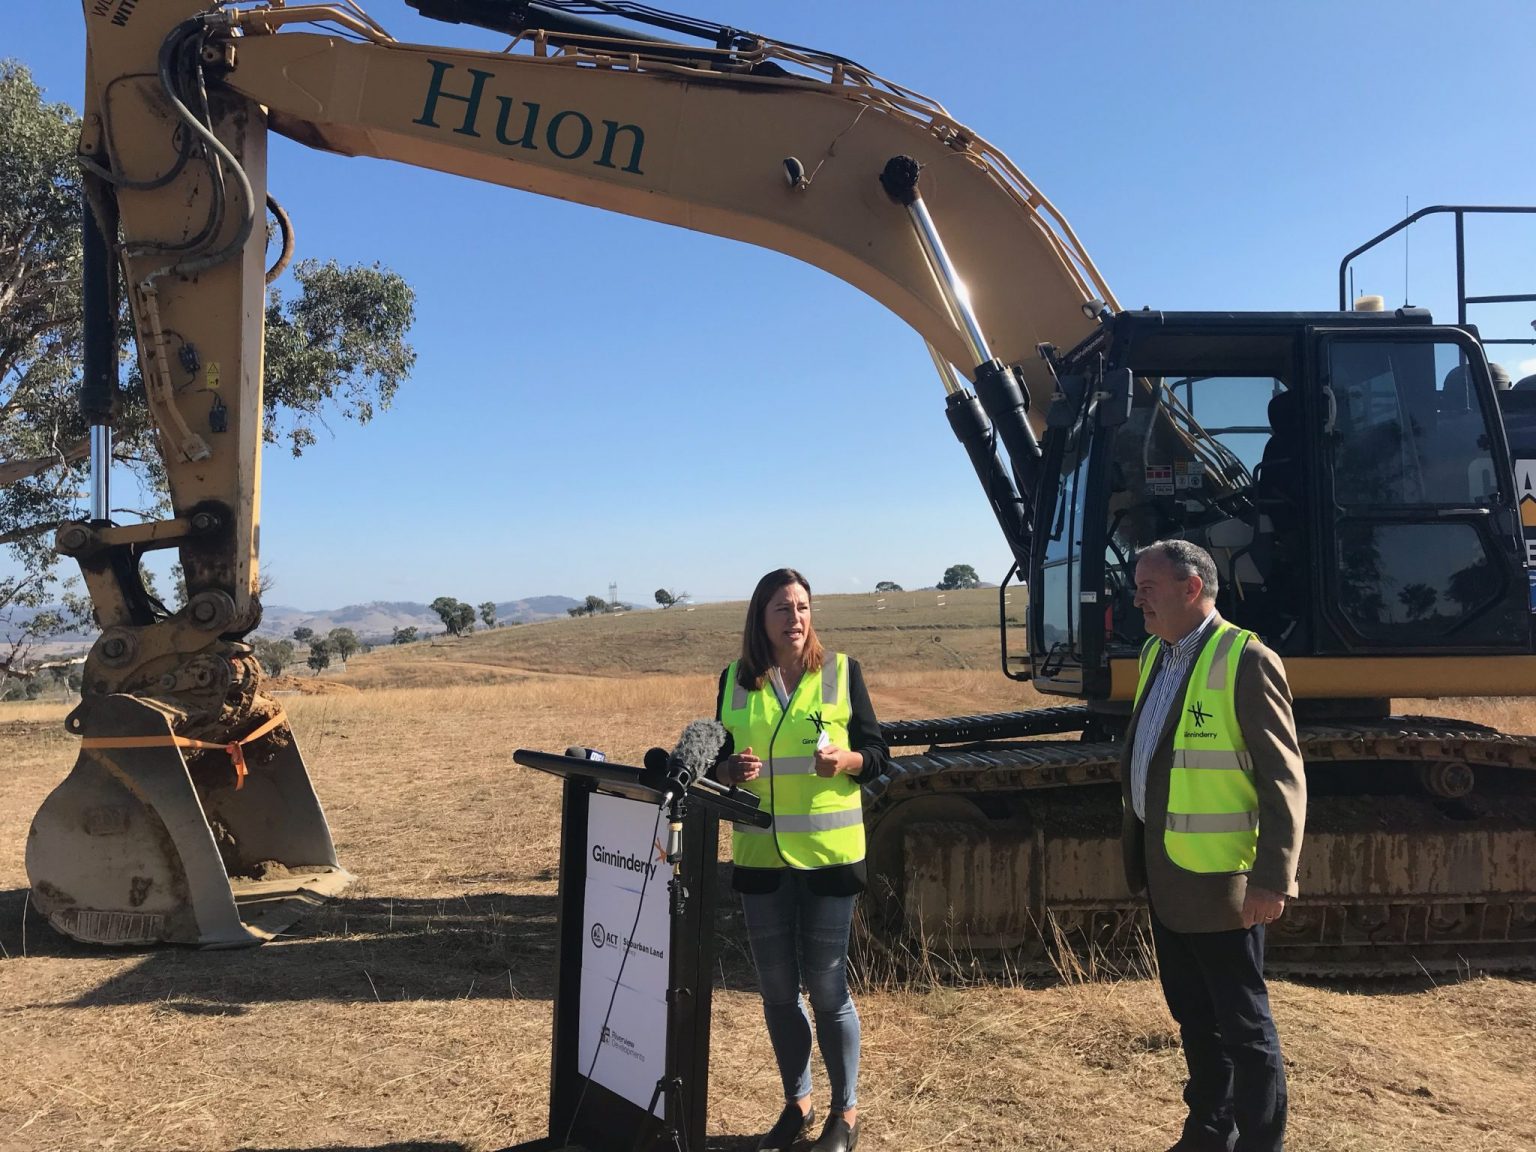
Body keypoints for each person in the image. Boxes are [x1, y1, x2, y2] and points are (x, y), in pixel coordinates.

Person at [1121, 540, 1307, 1152]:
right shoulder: (1156, 653)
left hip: (1225, 883)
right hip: (1168, 872)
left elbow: (1283, 779)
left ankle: (1260, 1143)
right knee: (1194, 1020)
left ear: (1192, 587)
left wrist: (1273, 879)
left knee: (1244, 1028)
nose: (1137, 597)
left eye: (1148, 586)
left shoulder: (1246, 659)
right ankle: (1207, 1133)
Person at [712, 568, 889, 1152]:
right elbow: (713, 760)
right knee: (777, 991)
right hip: (761, 856)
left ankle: (846, 1111)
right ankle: (799, 1104)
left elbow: (879, 753)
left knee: (827, 987)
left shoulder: (840, 672)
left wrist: (849, 761)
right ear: (760, 619)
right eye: (783, 609)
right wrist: (727, 770)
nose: (796, 618)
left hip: (828, 856)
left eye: (803, 607)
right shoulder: (734, 681)